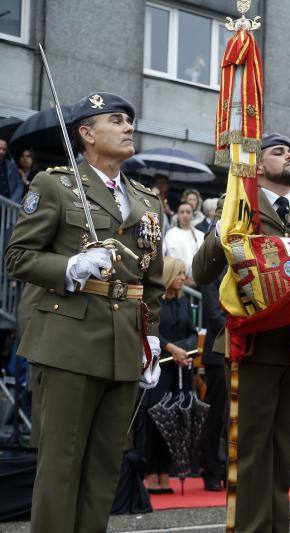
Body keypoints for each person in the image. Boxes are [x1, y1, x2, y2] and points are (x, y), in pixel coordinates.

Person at [5, 92, 164, 533]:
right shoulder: (55, 185)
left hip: (123, 346)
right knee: (61, 464)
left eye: (130, 120)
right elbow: (17, 257)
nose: (129, 126)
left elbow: (149, 281)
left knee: (104, 466)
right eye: (116, 120)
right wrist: (70, 267)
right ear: (87, 133)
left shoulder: (146, 201)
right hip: (68, 341)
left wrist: (150, 337)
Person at [192, 132, 290, 532]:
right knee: (251, 450)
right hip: (252, 344)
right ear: (257, 165)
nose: (289, 155)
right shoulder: (238, 206)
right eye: (277, 151)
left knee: (284, 452)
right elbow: (201, 271)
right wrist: (228, 226)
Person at [139, 256, 195, 494]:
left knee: (173, 422)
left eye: (184, 273)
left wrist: (182, 351)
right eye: (180, 273)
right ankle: (151, 472)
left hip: (179, 369)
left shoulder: (183, 303)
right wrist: (173, 349)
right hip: (159, 369)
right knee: (155, 422)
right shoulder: (155, 303)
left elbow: (192, 332)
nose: (184, 277)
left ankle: (165, 472)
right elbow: (150, 331)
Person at [198, 272, 228, 492]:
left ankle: (230, 468)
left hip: (244, 350)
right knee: (216, 414)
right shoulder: (214, 270)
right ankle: (211, 470)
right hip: (219, 352)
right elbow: (213, 313)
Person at [164, 201, 205, 284]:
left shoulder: (201, 235)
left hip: (200, 279)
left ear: (192, 215)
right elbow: (172, 257)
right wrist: (183, 276)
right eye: (182, 212)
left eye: (188, 212)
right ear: (177, 215)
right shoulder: (171, 234)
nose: (185, 215)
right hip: (180, 280)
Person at [0, 138, 24, 203]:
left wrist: (12, 201)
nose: (1, 152)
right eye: (0, 148)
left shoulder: (12, 165)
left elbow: (19, 185)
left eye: (4, 149)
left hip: (10, 208)